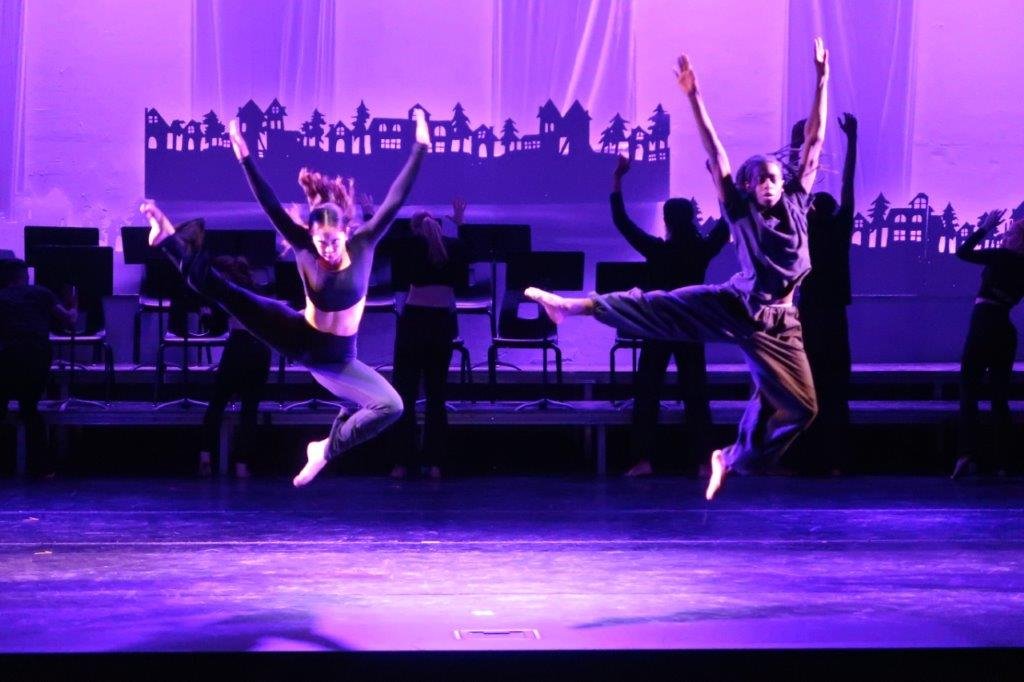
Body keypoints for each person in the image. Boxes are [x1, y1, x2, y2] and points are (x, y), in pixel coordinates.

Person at [526, 39, 829, 500]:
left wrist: (822, 80)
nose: (767, 183)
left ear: (783, 182)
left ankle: (728, 459)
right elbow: (719, 155)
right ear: (746, 187)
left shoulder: (798, 204)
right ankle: (570, 305)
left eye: (773, 177)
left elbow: (814, 138)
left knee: (804, 409)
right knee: (656, 308)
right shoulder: (740, 212)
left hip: (784, 324)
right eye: (759, 179)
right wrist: (693, 97)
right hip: (739, 304)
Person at [140, 108, 430, 487]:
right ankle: (167, 240)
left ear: (347, 230)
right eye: (320, 242)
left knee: (391, 407)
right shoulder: (304, 247)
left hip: (339, 358)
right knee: (231, 295)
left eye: (333, 241)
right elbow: (270, 205)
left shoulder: (365, 242)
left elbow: (396, 197)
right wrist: (244, 156)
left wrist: (421, 146)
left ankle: (324, 449)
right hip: (297, 334)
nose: (326, 249)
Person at [609, 156, 728, 476]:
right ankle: (705, 462)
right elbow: (727, 222)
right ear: (690, 219)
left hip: (659, 325)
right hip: (690, 326)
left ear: (667, 221)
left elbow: (622, 222)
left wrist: (618, 179)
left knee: (647, 392)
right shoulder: (701, 250)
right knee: (696, 394)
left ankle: (642, 460)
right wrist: (719, 180)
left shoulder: (658, 250)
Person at [793, 113, 857, 476]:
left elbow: (796, 186)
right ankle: (833, 461)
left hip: (813, 316)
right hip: (831, 316)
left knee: (810, 388)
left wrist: (797, 142)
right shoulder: (836, 230)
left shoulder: (808, 231)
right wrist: (853, 140)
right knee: (833, 390)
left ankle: (810, 459)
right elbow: (848, 185)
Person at [388, 198, 470, 480]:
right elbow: (463, 269)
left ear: (413, 229)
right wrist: (459, 223)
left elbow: (388, 255)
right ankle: (435, 464)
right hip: (441, 325)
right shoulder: (454, 247)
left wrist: (371, 213)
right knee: (437, 395)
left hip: (414, 323)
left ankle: (402, 462)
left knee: (405, 396)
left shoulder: (408, 246)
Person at [952, 209, 1024, 478]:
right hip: (1005, 328)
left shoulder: (1001, 256)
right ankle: (1005, 462)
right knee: (999, 397)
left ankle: (967, 454)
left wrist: (984, 228)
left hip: (983, 323)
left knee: (969, 391)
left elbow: (963, 252)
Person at [0, 258, 78, 476]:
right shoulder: (40, 293)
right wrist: (74, 303)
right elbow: (69, 320)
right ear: (23, 275)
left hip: (5, 356)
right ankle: (42, 467)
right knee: (30, 409)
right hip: (35, 355)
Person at [197, 256, 272, 479]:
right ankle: (241, 465)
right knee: (249, 410)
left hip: (238, 347)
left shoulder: (224, 294)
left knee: (217, 403)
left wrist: (205, 316)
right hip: (260, 350)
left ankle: (205, 456)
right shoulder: (258, 291)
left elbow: (216, 329)